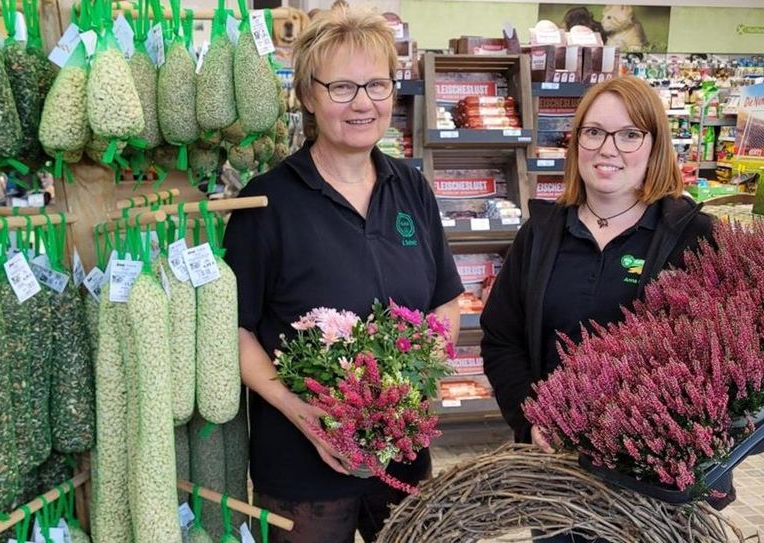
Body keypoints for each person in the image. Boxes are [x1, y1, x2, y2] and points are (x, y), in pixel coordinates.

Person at [222, 6, 464, 542]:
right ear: (309, 96)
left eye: (377, 84)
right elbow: (234, 331)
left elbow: (446, 302)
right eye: (342, 87)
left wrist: (418, 384)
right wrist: (302, 411)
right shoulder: (265, 202)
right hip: (301, 464)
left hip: (401, 458)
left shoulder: (412, 188)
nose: (363, 103)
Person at [481, 75, 722, 543]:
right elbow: (502, 337)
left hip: (652, 490)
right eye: (594, 132)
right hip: (557, 475)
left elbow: (726, 364)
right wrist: (532, 417)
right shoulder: (542, 234)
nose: (607, 148)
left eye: (629, 134)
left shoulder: (695, 238)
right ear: (576, 144)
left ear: (655, 145)